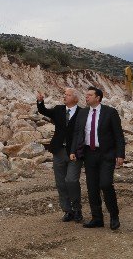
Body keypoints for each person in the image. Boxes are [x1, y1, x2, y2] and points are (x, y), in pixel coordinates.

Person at [70, 86, 126, 230]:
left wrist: (120, 154)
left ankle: (114, 216)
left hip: (106, 154)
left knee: (106, 184)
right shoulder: (82, 113)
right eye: (86, 95)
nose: (86, 97)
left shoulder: (110, 112)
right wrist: (73, 150)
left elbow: (118, 135)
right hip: (89, 154)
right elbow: (77, 134)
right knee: (92, 187)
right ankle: (97, 218)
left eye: (89, 95)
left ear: (98, 98)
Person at [36, 88, 84, 222]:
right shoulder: (58, 109)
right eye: (64, 94)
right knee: (61, 183)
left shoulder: (82, 113)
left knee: (71, 181)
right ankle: (68, 211)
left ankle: (77, 209)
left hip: (74, 153)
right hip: (58, 151)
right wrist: (40, 102)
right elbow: (43, 111)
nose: (65, 96)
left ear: (75, 98)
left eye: (68, 95)